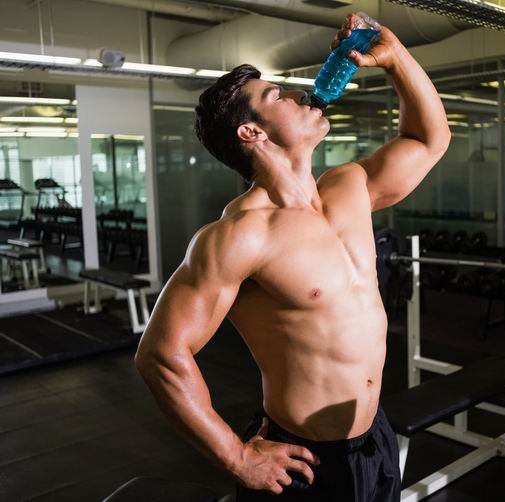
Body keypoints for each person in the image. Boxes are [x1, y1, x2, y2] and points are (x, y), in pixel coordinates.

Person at [134, 12, 450, 502]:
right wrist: (238, 457)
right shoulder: (240, 235)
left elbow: (429, 140)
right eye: (277, 96)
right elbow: (161, 354)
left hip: (375, 441)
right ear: (252, 134)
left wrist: (395, 57)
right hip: (303, 462)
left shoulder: (350, 187)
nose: (301, 96)